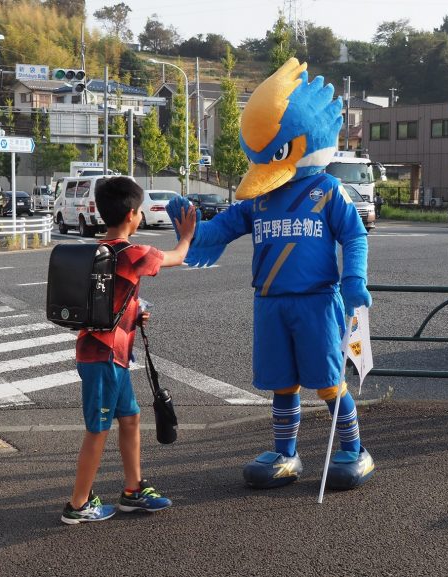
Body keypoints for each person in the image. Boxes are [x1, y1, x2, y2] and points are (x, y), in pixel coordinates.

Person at [166, 58, 375, 491]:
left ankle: (354, 449)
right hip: (270, 302)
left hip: (317, 301)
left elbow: (354, 235)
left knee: (328, 382)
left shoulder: (326, 190)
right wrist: (188, 227)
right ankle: (285, 453)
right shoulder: (258, 200)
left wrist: (354, 279)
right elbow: (217, 232)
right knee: (283, 384)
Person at [61, 177, 196, 525]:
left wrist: (134, 312)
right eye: (139, 212)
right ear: (132, 215)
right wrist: (186, 235)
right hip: (104, 357)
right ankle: (78, 504)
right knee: (98, 429)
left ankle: (133, 490)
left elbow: (106, 300)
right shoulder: (133, 253)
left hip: (110, 355)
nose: (140, 217)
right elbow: (178, 256)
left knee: (131, 417)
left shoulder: (98, 250)